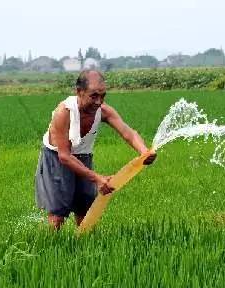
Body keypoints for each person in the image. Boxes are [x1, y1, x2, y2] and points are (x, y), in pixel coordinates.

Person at [35, 69, 156, 230]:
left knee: (85, 208)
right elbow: (64, 156)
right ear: (79, 91)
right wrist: (97, 178)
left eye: (103, 96)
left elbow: (128, 133)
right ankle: (52, 247)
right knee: (58, 213)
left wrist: (144, 151)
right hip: (57, 159)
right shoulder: (64, 112)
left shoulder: (103, 111)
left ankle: (83, 245)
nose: (99, 101)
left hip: (83, 157)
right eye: (94, 96)